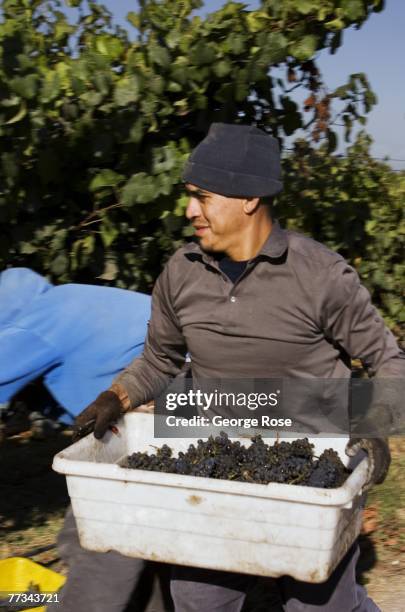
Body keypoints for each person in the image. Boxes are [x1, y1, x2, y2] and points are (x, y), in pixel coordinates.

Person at [74, 123, 404, 612]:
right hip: (216, 459)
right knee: (198, 599)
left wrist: (370, 428)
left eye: (201, 197)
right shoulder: (180, 271)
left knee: (319, 605)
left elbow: (388, 362)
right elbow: (160, 360)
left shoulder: (321, 277)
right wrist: (116, 398)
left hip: (311, 463)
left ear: (249, 198)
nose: (190, 211)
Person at [0, 268, 153, 612]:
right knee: (120, 534)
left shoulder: (36, 324)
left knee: (100, 537)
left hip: (163, 410)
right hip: (216, 395)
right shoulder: (73, 301)